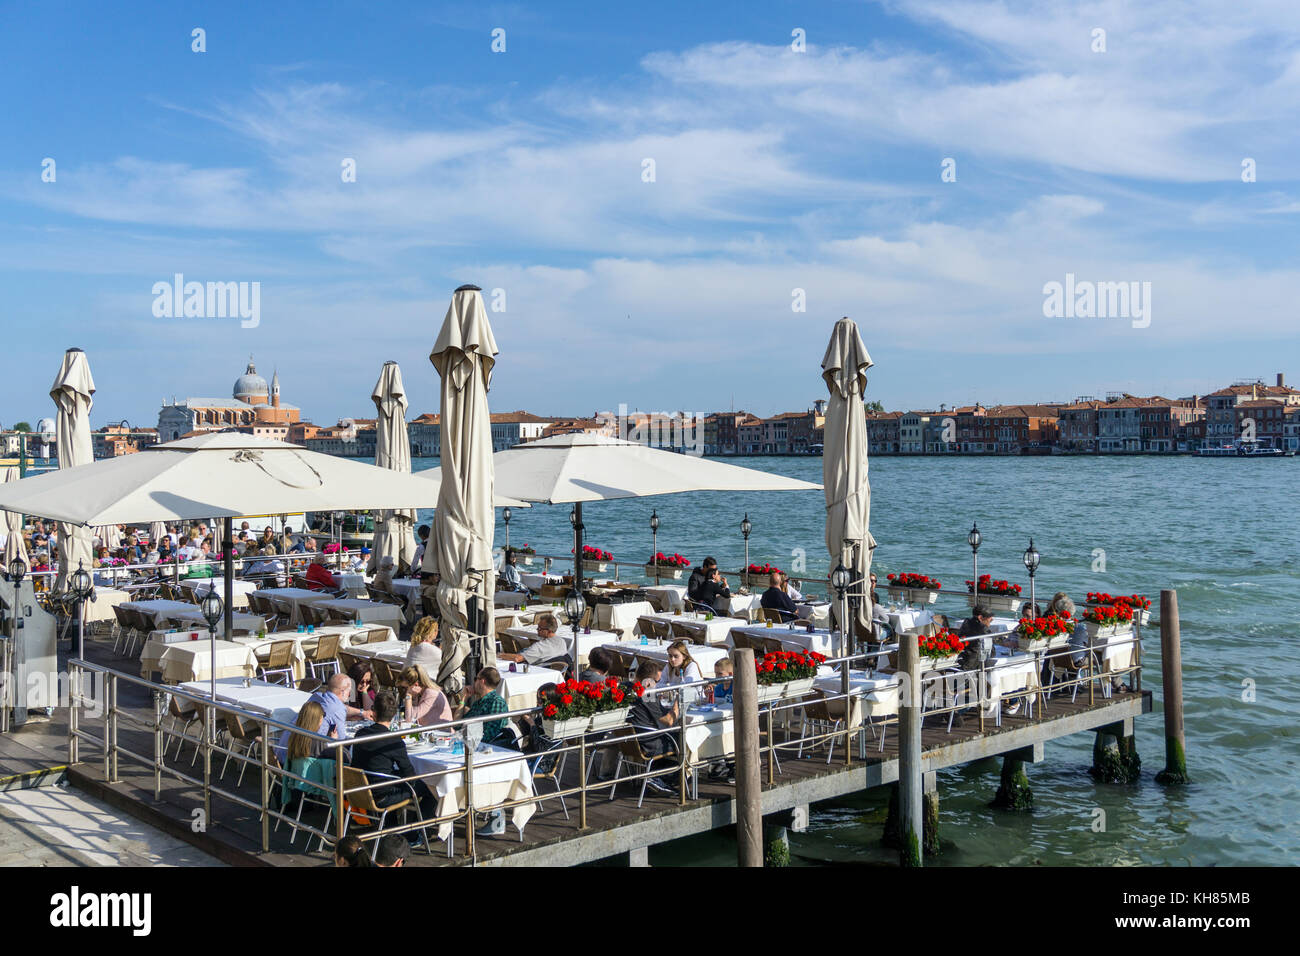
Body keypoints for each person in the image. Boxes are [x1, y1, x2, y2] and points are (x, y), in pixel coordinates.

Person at [350, 689, 437, 842]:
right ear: (393, 715)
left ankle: (393, 830)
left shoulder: (360, 734)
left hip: (358, 791)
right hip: (382, 796)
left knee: (392, 779)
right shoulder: (393, 740)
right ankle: (413, 834)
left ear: (373, 712)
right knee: (433, 788)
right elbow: (409, 775)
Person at [626, 659, 680, 793]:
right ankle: (659, 777)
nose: (657, 685)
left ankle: (656, 774)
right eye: (657, 682)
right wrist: (678, 703)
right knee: (683, 739)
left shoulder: (624, 686)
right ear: (648, 681)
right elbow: (669, 721)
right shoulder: (647, 695)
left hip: (628, 741)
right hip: (648, 742)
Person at [497, 612, 572, 670]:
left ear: (548, 631)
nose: (537, 630)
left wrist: (500, 655)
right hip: (556, 673)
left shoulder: (539, 647)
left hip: (539, 672)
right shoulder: (562, 641)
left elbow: (517, 658)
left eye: (540, 628)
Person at [458, 667, 510, 742]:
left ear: (482, 681)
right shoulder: (478, 703)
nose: (474, 683)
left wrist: (464, 736)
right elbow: (457, 725)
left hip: (487, 749)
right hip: (471, 743)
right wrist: (463, 699)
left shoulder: (497, 702)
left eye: (475, 679)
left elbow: (490, 735)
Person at [661, 640, 705, 707]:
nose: (672, 659)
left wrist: (668, 686)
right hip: (677, 702)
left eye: (676, 656)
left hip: (696, 703)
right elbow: (659, 684)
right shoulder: (669, 666)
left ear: (684, 656)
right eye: (670, 656)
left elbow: (686, 686)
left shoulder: (692, 666)